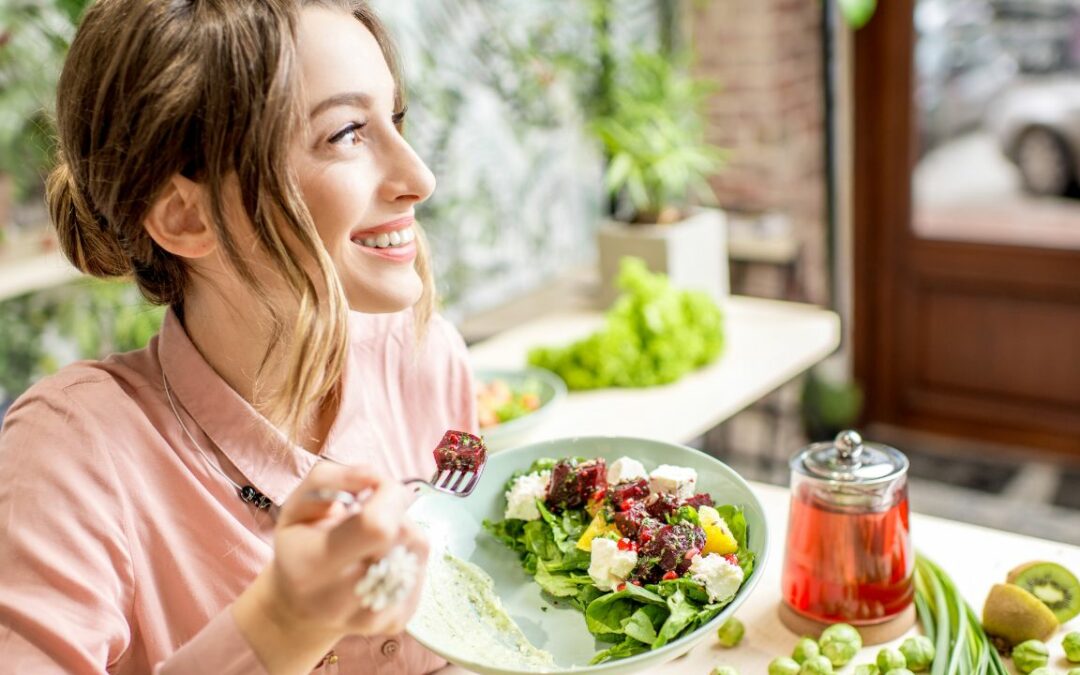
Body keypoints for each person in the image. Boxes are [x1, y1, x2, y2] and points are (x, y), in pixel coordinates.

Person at [0, 1, 477, 673]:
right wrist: (282, 624)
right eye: (345, 133)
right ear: (185, 216)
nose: (418, 178)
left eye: (394, 120)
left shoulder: (425, 359)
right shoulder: (74, 448)